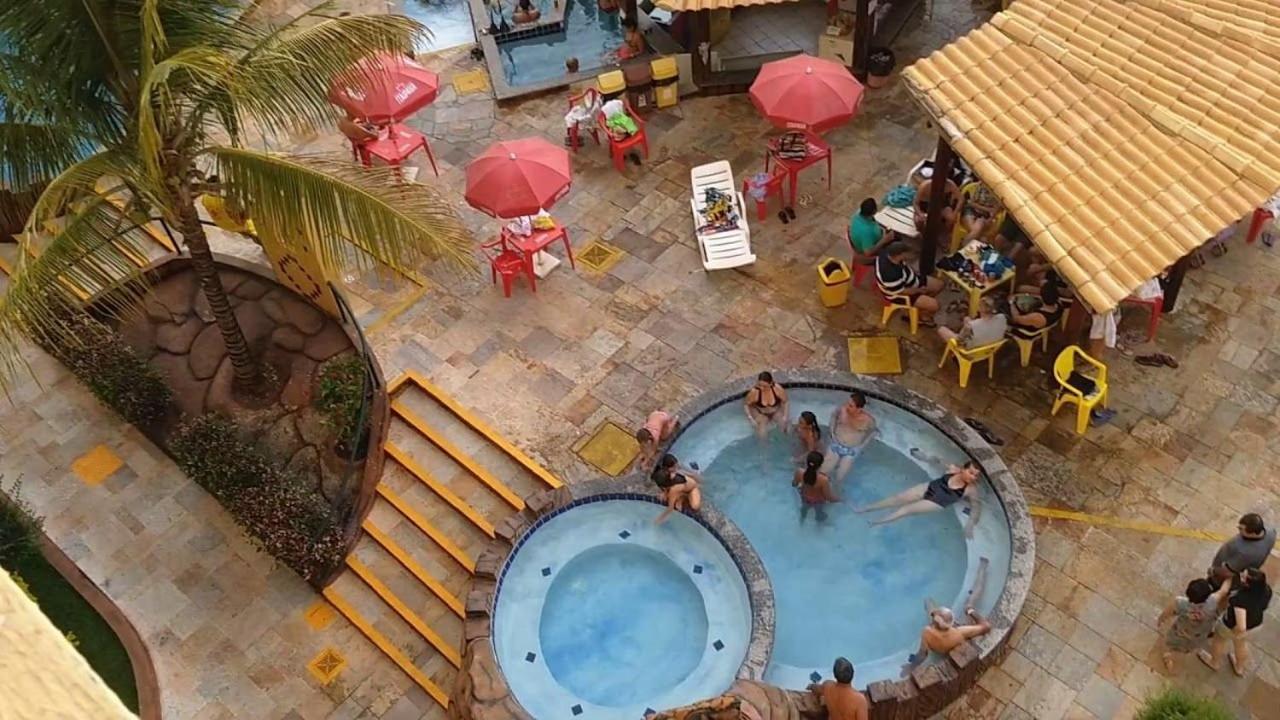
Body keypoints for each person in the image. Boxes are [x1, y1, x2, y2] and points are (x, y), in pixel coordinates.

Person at [856, 462, 983, 537]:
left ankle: (874, 523)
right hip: (930, 487)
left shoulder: (971, 489)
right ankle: (867, 508)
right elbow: (936, 460)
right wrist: (924, 457)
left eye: (976, 476)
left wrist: (970, 525)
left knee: (904, 510)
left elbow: (977, 506)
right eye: (971, 472)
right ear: (963, 469)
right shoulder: (953, 469)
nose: (973, 477)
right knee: (898, 498)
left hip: (937, 502)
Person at [1199, 568, 1271, 676]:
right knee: (1241, 645)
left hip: (1231, 626)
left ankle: (1214, 662)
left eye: (1243, 577)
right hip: (1255, 623)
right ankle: (1239, 667)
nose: (1241, 575)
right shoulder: (1266, 591)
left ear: (1248, 584)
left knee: (1219, 640)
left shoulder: (1241, 600)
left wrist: (1235, 632)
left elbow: (1241, 626)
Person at [1157, 576, 1233, 671]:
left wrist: (1161, 619)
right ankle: (1178, 654)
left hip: (1180, 632)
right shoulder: (1211, 602)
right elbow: (1223, 591)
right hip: (1200, 634)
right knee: (1187, 648)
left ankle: (1169, 658)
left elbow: (1168, 612)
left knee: (1173, 645)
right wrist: (1230, 578)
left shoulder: (1181, 603)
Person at [903, 603, 990, 674]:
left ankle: (927, 603)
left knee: (928, 603)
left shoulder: (927, 634)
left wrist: (911, 667)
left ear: (934, 622)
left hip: (938, 650)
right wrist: (970, 611)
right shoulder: (960, 633)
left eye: (933, 615)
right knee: (930, 605)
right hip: (950, 644)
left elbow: (922, 654)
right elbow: (986, 626)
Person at [875, 241, 944, 326]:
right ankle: (921, 317)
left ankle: (921, 310)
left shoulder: (887, 253)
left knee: (939, 284)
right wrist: (918, 290)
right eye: (905, 253)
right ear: (899, 255)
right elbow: (901, 291)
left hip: (910, 280)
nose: (908, 255)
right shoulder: (889, 274)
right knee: (936, 306)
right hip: (900, 294)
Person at [825, 391, 876, 483]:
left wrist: (862, 446)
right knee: (824, 471)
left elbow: (872, 432)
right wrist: (832, 433)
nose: (847, 407)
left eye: (851, 406)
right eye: (847, 403)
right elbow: (833, 417)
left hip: (851, 450)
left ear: (859, 409)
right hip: (836, 444)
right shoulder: (842, 410)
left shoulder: (868, 420)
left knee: (839, 477)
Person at [1210, 513, 1276, 577]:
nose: (1238, 529)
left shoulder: (1245, 552)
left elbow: (1229, 572)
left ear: (1253, 533)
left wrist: (1214, 571)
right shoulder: (1271, 532)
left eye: (1241, 529)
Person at [937, 297, 1007, 349]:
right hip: (991, 348)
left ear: (980, 309)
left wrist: (958, 335)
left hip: (972, 351)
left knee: (942, 329)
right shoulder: (1002, 317)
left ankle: (953, 353)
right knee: (966, 319)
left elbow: (959, 340)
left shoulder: (972, 325)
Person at [650, 453, 702, 524]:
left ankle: (683, 496)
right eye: (674, 467)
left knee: (695, 506)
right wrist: (665, 493)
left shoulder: (674, 486)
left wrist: (658, 520)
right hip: (682, 486)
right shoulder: (666, 474)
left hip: (692, 488)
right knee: (667, 498)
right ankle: (681, 496)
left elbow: (670, 508)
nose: (675, 468)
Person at [794, 451, 839, 523]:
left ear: (807, 462)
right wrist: (840, 500)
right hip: (818, 502)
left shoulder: (799, 472)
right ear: (820, 466)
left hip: (804, 498)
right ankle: (819, 521)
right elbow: (829, 498)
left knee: (803, 511)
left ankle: (801, 523)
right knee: (819, 514)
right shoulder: (823, 480)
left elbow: (794, 484)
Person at [744, 371, 788, 438]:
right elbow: (746, 404)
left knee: (783, 425)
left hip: (775, 411)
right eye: (760, 385)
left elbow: (785, 401)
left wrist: (785, 416)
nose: (762, 388)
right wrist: (750, 418)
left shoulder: (777, 389)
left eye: (765, 386)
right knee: (762, 430)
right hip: (761, 413)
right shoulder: (755, 392)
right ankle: (763, 444)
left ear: (771, 383)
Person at [848, 198, 892, 264]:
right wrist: (884, 240)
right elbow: (868, 253)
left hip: (870, 239)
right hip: (870, 253)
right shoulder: (867, 232)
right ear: (874, 211)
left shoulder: (857, 215)